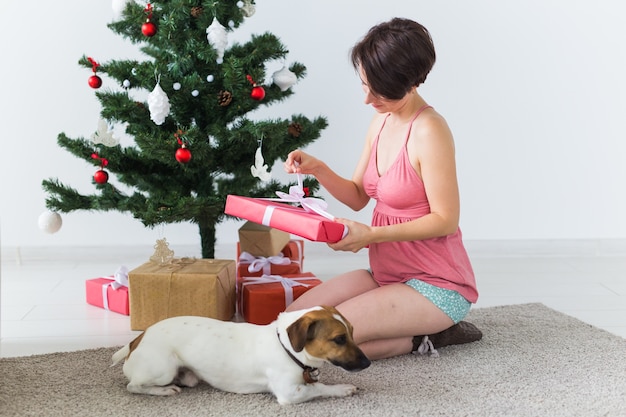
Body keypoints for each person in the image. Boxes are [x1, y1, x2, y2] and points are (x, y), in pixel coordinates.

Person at [283, 18, 481, 360]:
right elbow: (359, 196)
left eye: (380, 90)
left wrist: (369, 236)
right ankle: (418, 336)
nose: (368, 99)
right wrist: (319, 168)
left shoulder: (429, 131)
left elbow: (446, 220)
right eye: (364, 85)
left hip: (437, 285)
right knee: (290, 325)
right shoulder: (381, 119)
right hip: (387, 275)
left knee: (319, 343)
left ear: (412, 82)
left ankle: (433, 330)